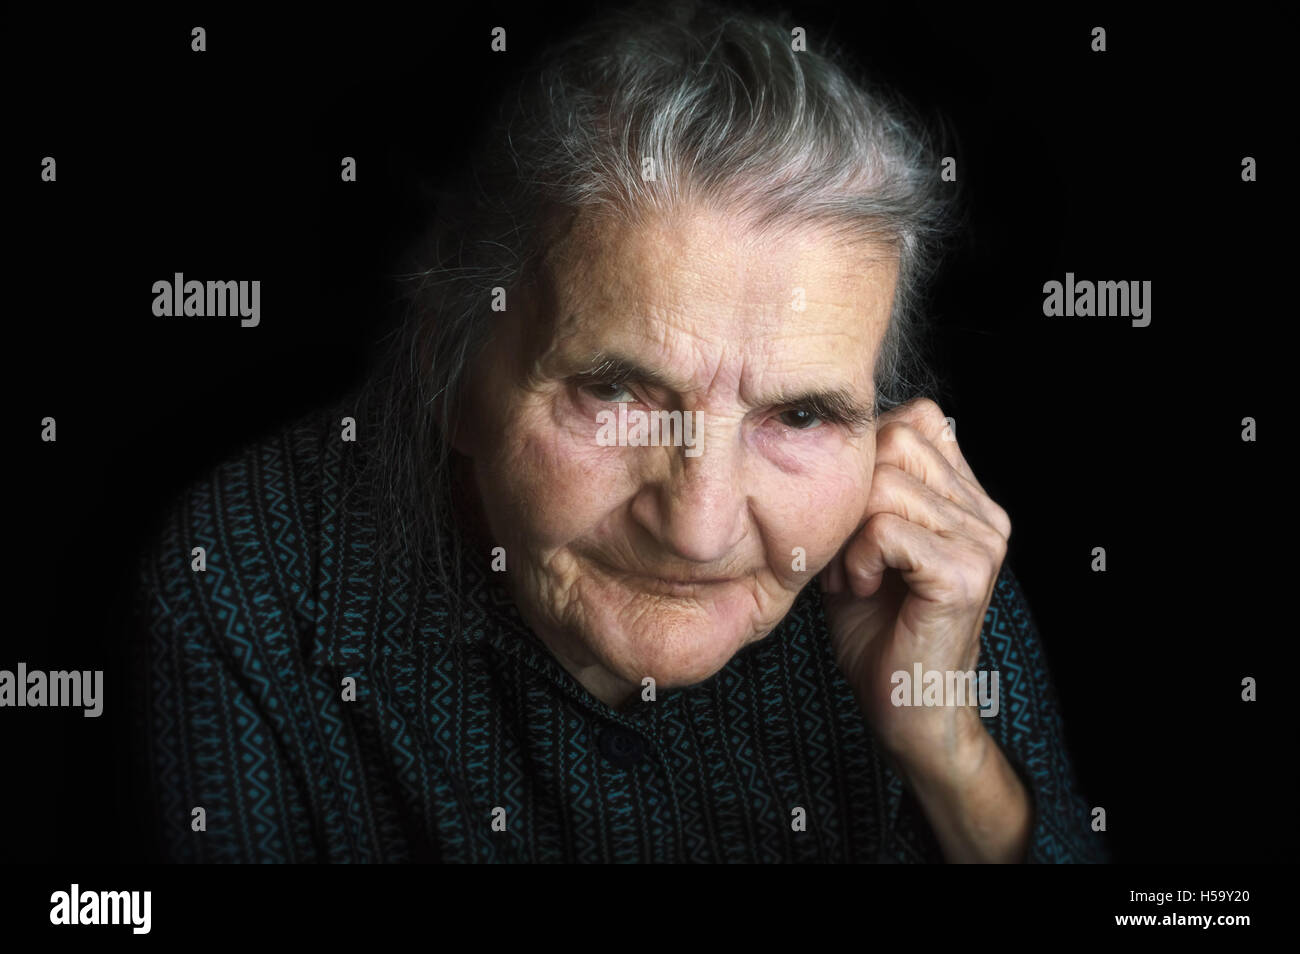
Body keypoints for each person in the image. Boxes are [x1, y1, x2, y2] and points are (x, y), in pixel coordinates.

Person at [129, 0, 1107, 863]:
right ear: (451, 371)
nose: (699, 527)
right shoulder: (251, 579)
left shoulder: (915, 552)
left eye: (801, 414)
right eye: (613, 393)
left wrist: (946, 751)